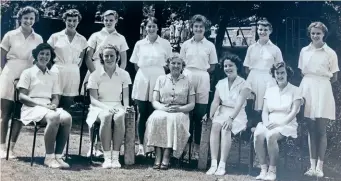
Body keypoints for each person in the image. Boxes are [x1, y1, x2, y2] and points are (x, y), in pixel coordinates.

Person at [81, 10, 129, 155]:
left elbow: (124, 60)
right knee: (94, 108)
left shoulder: (121, 38)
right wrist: (95, 73)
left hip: (113, 73)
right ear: (103, 20)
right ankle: (92, 146)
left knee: (112, 111)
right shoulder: (95, 36)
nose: (108, 22)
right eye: (106, 20)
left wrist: (117, 75)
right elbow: (88, 57)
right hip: (96, 70)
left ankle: (105, 146)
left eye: (111, 20)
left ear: (116, 21)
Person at [17, 43, 72, 168]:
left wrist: (53, 105)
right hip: (31, 107)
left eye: (47, 54)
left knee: (67, 117)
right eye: (42, 53)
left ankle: (58, 156)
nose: (44, 57)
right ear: (36, 55)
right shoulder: (28, 72)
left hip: (48, 107)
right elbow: (22, 97)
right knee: (53, 117)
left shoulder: (53, 75)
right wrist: (42, 105)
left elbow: (56, 96)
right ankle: (49, 157)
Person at [0, 6, 43, 158]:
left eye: (31, 18)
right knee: (5, 113)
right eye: (26, 18)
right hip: (9, 73)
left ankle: (11, 149)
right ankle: (2, 147)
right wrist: (6, 73)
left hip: (27, 76)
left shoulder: (38, 38)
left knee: (19, 114)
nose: (28, 21)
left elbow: (39, 59)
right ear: (20, 18)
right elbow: (2, 57)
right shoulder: (10, 35)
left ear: (34, 20)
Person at [299, 22, 339, 178]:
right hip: (307, 89)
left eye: (318, 33)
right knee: (310, 129)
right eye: (313, 33)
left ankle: (320, 167)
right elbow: (303, 72)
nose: (315, 36)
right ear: (310, 34)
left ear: (324, 34)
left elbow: (334, 77)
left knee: (321, 130)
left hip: (323, 89)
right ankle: (312, 166)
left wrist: (320, 84)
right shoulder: (304, 51)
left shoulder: (330, 53)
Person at [144, 53, 195, 170]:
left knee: (172, 120)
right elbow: (154, 101)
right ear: (168, 65)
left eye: (179, 63)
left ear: (183, 66)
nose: (176, 66)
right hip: (163, 108)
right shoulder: (161, 79)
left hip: (180, 111)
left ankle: (167, 155)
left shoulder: (188, 81)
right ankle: (158, 155)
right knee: (155, 118)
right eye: (173, 63)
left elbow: (192, 104)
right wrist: (163, 108)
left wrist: (180, 109)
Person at [130, 17, 172, 156]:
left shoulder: (165, 43)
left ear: (158, 28)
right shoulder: (139, 44)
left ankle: (154, 147)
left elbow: (169, 64)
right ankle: (141, 146)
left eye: (154, 26)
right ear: (145, 28)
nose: (151, 29)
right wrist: (146, 75)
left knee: (156, 113)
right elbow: (136, 64)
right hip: (142, 78)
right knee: (142, 113)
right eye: (149, 26)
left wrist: (158, 76)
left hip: (159, 78)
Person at [86, 44, 132, 168]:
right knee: (106, 116)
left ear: (117, 57)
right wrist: (106, 108)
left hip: (117, 105)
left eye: (112, 55)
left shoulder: (124, 74)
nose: (109, 58)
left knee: (119, 116)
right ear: (102, 57)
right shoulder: (94, 75)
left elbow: (126, 97)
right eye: (106, 56)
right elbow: (93, 100)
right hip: (99, 107)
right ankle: (107, 158)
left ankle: (115, 157)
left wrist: (126, 107)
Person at [254, 62, 302, 180]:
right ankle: (263, 169)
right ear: (274, 74)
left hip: (287, 122)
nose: (280, 76)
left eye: (282, 73)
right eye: (277, 73)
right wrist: (265, 123)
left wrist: (280, 123)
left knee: (271, 135)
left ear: (287, 74)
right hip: (270, 121)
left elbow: (293, 112)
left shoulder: (295, 90)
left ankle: (272, 170)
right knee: (258, 134)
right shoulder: (270, 90)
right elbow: (265, 111)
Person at [206, 54, 252, 176]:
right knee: (215, 126)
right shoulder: (220, 83)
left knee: (226, 128)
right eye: (225, 66)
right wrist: (210, 114)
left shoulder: (244, 84)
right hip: (222, 111)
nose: (228, 68)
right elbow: (216, 101)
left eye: (230, 65)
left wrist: (231, 119)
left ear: (237, 67)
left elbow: (239, 104)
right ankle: (213, 164)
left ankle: (222, 165)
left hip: (237, 114)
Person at [180, 14, 218, 157]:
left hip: (203, 77)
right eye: (196, 26)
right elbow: (181, 63)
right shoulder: (186, 44)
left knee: (199, 113)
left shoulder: (210, 45)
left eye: (201, 26)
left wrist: (200, 72)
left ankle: (196, 148)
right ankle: (184, 146)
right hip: (187, 75)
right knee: (186, 113)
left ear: (205, 28)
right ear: (192, 28)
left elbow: (213, 66)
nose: (198, 29)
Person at [47, 9, 87, 111]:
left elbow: (81, 59)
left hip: (73, 72)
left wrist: (73, 68)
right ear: (65, 20)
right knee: (54, 101)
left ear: (78, 21)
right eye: (69, 20)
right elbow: (48, 55)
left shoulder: (82, 40)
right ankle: (52, 124)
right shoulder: (55, 37)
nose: (72, 23)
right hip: (57, 70)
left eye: (74, 20)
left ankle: (63, 125)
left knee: (68, 104)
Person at [243, 18, 284, 113]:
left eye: (265, 30)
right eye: (260, 29)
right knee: (251, 103)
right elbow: (246, 67)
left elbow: (280, 67)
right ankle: (252, 124)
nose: (262, 32)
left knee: (267, 104)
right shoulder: (251, 48)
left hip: (269, 78)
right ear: (257, 30)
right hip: (253, 77)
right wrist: (252, 77)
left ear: (270, 31)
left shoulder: (275, 49)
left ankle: (265, 123)